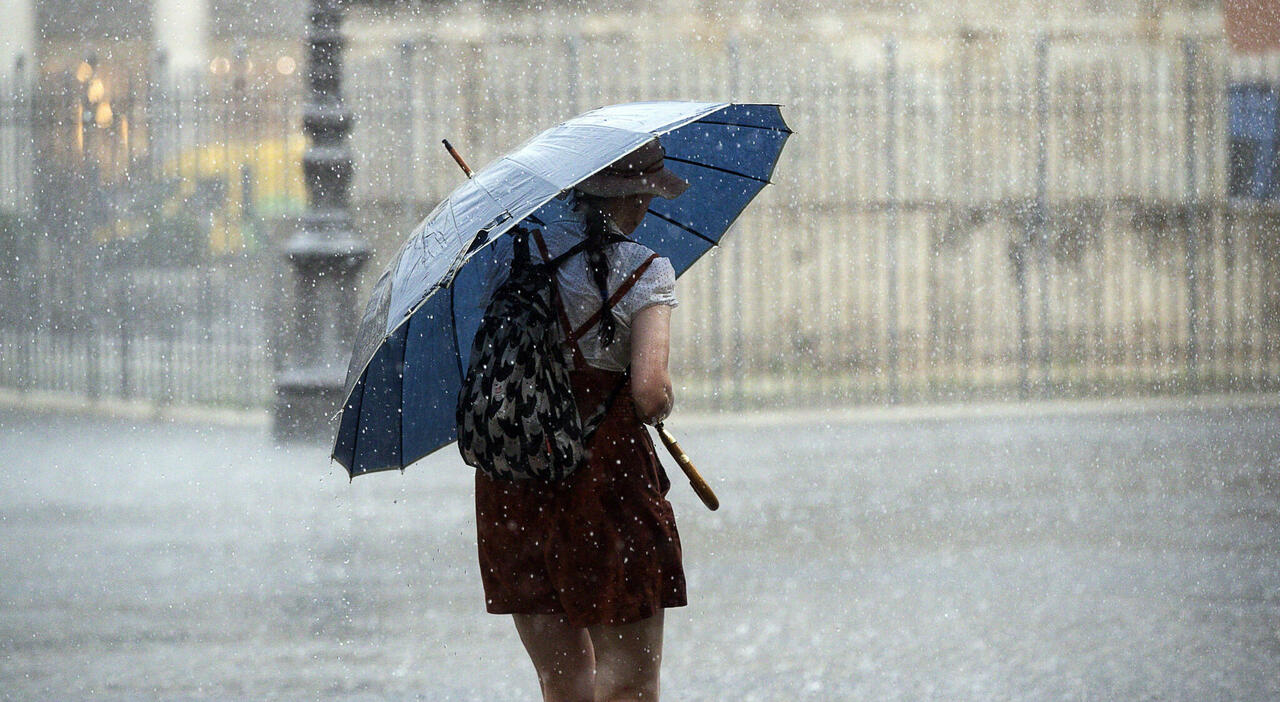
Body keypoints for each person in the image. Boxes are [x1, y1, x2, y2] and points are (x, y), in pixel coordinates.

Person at [473, 138, 689, 702]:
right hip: (605, 483)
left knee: (562, 680)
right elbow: (647, 393)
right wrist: (663, 398)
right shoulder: (646, 271)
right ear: (639, 200)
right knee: (629, 680)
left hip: (518, 486)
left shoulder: (511, 259)